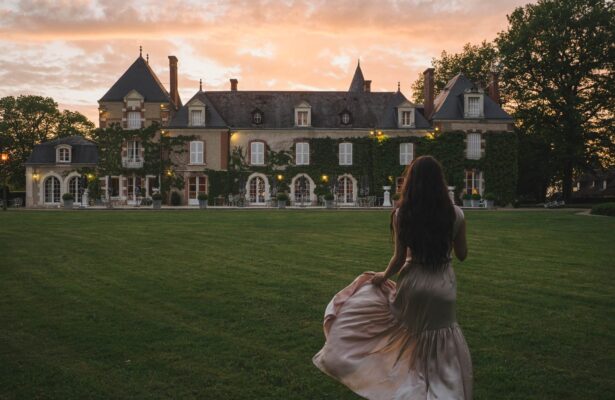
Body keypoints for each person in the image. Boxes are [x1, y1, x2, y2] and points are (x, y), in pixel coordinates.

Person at [313, 155, 472, 399]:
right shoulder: (456, 214)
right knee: (440, 340)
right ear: (439, 182)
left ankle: (409, 383)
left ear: (411, 182)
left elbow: (398, 258)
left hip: (413, 282)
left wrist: (383, 275)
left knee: (409, 335)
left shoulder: (402, 215)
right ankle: (444, 389)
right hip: (443, 286)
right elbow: (462, 255)